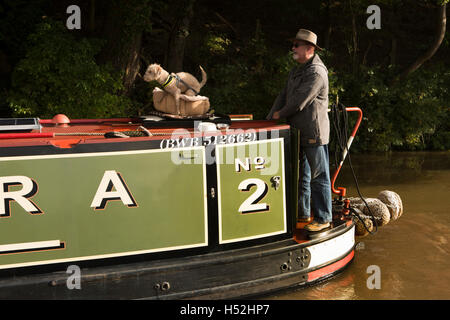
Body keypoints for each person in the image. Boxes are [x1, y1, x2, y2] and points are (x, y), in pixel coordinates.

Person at [266, 29, 332, 232]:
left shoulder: (316, 72)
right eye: (293, 44)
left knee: (319, 175)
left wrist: (280, 114)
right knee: (301, 175)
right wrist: (269, 117)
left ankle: (323, 218)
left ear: (309, 49)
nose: (292, 48)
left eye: (296, 45)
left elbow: (299, 101)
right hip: (297, 132)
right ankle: (303, 213)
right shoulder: (297, 70)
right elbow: (284, 95)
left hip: (313, 133)